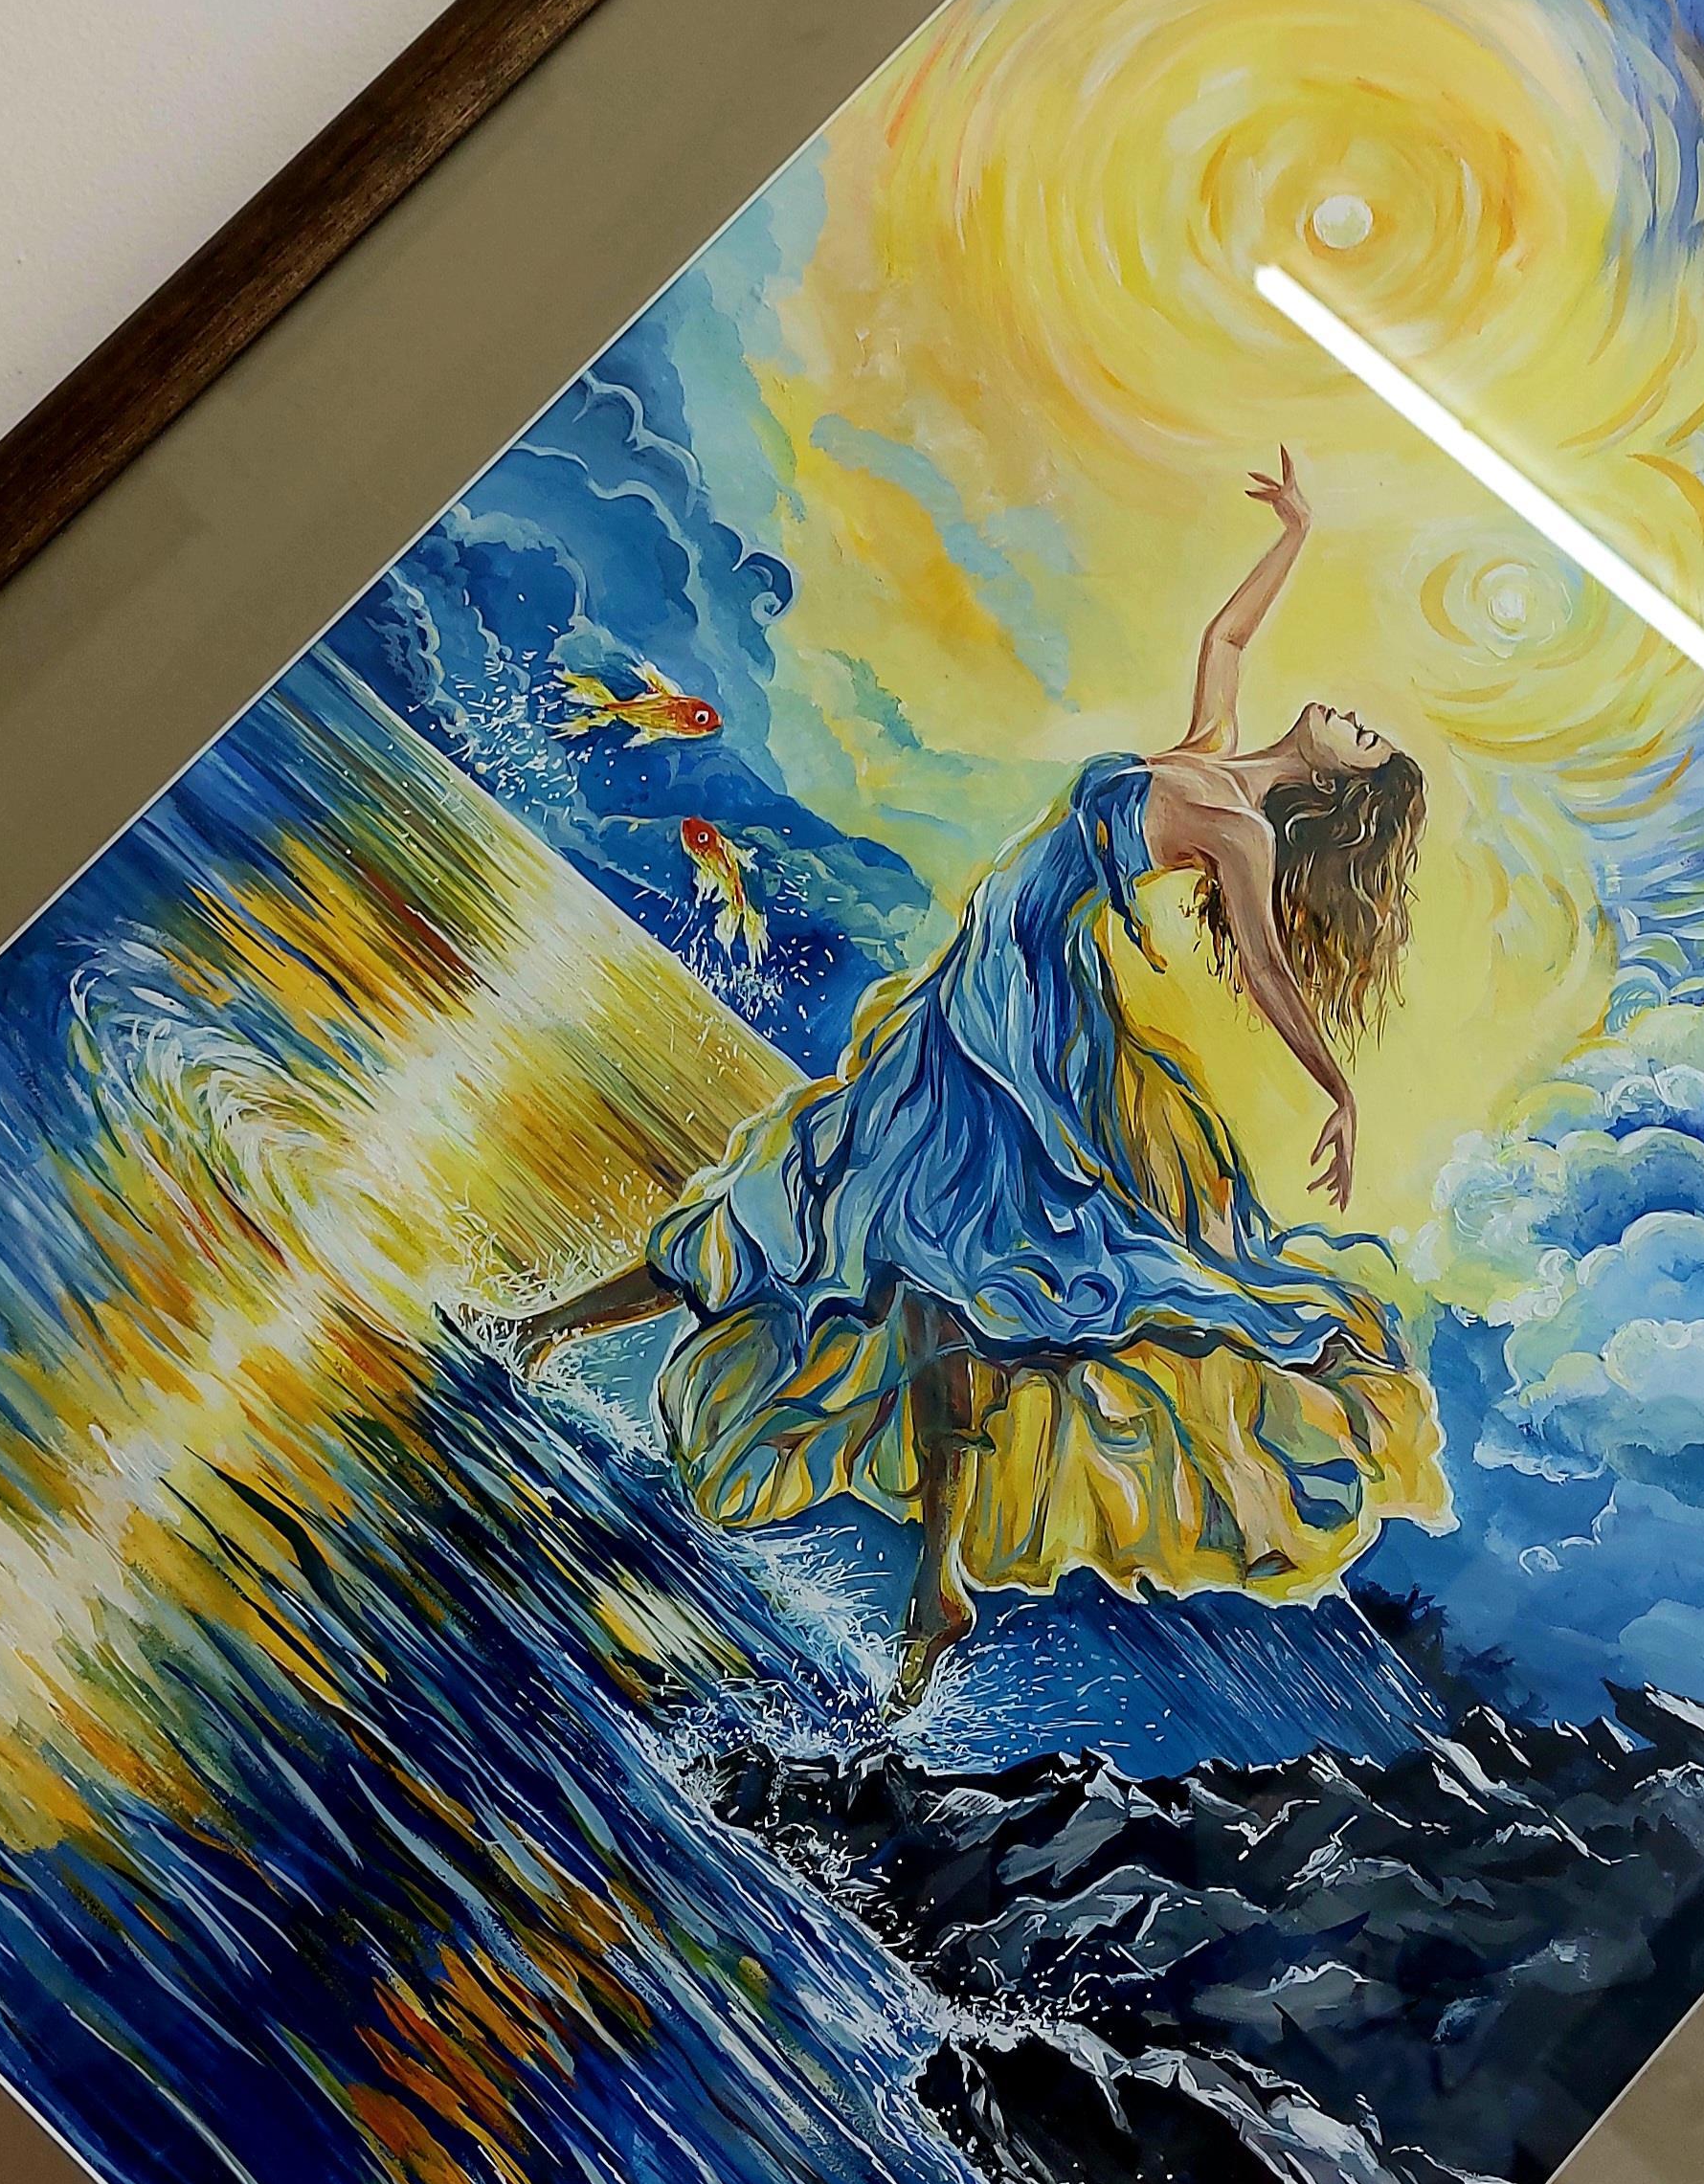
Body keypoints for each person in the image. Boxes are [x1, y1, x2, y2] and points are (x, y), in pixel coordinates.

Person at [523, 455, 1446, 1703]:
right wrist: (1298, 528)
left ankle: (924, 1570)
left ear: (1338, 780)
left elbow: (1271, 968)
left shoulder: (1241, 831)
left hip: (1023, 1029)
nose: (1352, 716)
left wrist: (1336, 1086)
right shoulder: (1208, 749)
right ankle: (575, 1349)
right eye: (1364, 720)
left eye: (1366, 741)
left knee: (903, 1246)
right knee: (827, 1206)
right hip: (970, 999)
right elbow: (1227, 635)